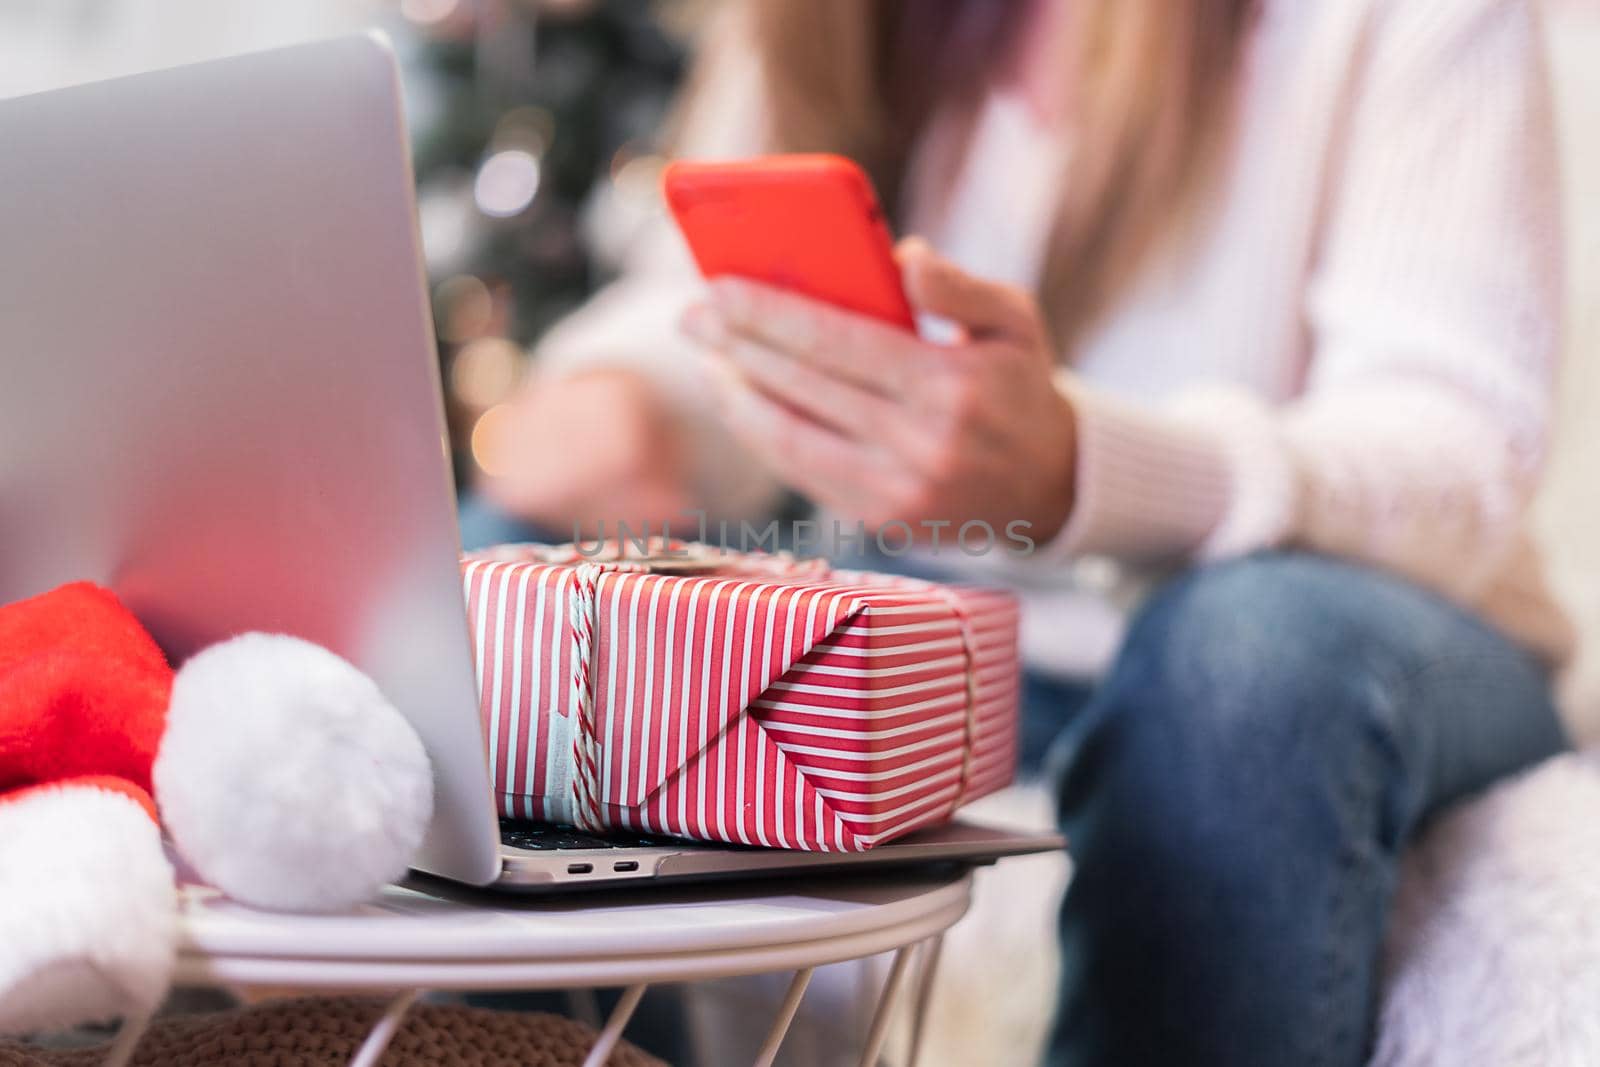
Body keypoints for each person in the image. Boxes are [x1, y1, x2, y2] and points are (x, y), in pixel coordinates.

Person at [466, 1, 1573, 1063]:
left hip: (1372, 629)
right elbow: (699, 305)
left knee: (1240, 655)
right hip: (968, 629)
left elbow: (1458, 460)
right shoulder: (837, 22)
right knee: (498, 579)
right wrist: (628, 398)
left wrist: (1084, 470)